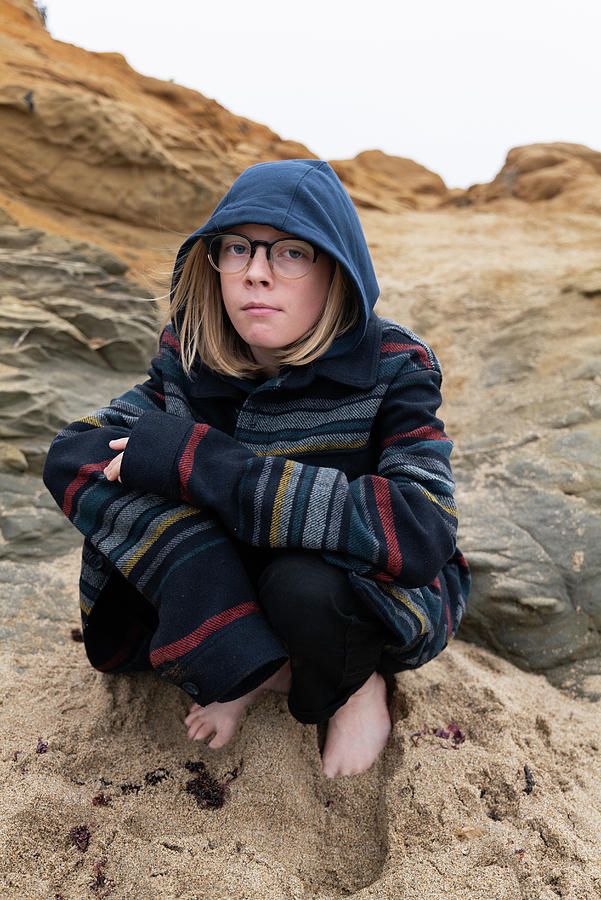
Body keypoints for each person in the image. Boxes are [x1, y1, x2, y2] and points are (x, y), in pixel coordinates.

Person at [43, 159, 470, 778]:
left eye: (291, 253)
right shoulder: (190, 356)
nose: (257, 274)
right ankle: (254, 659)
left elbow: (421, 529)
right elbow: (76, 451)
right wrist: (203, 557)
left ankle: (356, 688)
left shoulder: (393, 367)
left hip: (352, 584)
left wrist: (202, 463)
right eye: (237, 249)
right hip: (233, 567)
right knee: (129, 512)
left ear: (336, 269)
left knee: (302, 587)